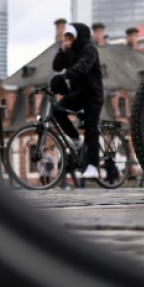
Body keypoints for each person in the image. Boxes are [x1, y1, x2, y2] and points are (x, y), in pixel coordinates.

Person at [51, 22, 103, 179]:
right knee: (57, 110)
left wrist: (65, 76)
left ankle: (93, 166)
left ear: (78, 36)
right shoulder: (69, 50)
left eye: (70, 36)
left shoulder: (89, 49)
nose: (68, 39)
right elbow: (56, 67)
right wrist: (62, 51)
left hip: (92, 94)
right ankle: (76, 139)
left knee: (90, 128)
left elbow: (83, 67)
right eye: (66, 36)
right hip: (77, 94)